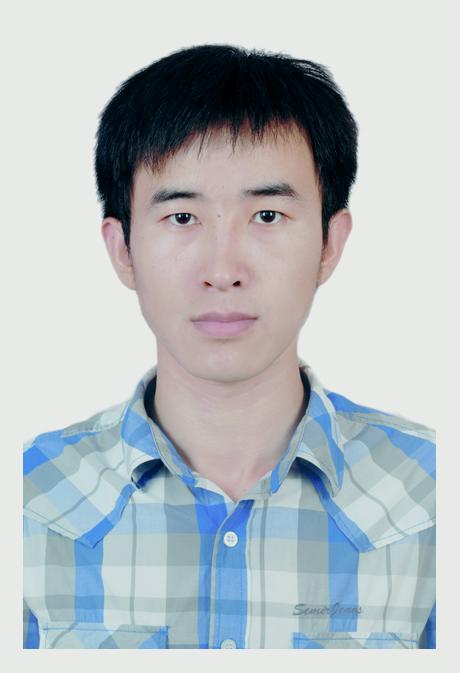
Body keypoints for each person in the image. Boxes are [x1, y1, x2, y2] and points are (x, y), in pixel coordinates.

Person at [23, 44, 435, 649]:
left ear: (330, 243)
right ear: (122, 249)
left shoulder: (431, 496)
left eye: (267, 215)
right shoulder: (28, 500)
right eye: (182, 217)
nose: (223, 270)